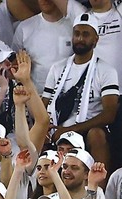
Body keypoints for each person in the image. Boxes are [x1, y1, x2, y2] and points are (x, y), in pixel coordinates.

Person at [42, 13, 119, 167]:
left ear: (95, 40)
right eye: (76, 34)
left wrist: (71, 129)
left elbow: (110, 114)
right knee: (37, 135)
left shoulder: (106, 70)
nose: (80, 39)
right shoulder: (57, 68)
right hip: (58, 128)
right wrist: (43, 129)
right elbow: (44, 105)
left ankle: (99, 189)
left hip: (87, 129)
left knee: (96, 135)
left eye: (85, 34)